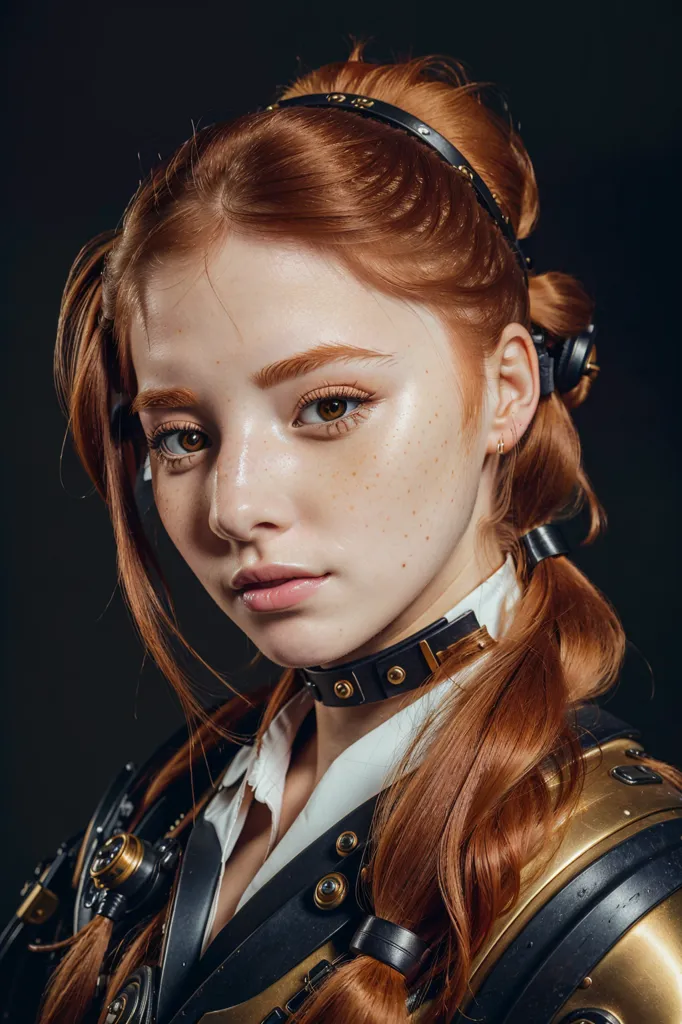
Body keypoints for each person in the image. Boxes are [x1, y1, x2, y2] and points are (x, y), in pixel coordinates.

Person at [2, 43, 681, 1024]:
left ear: (505, 392)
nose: (233, 505)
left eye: (327, 406)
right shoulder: (162, 808)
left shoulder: (618, 914)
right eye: (184, 435)